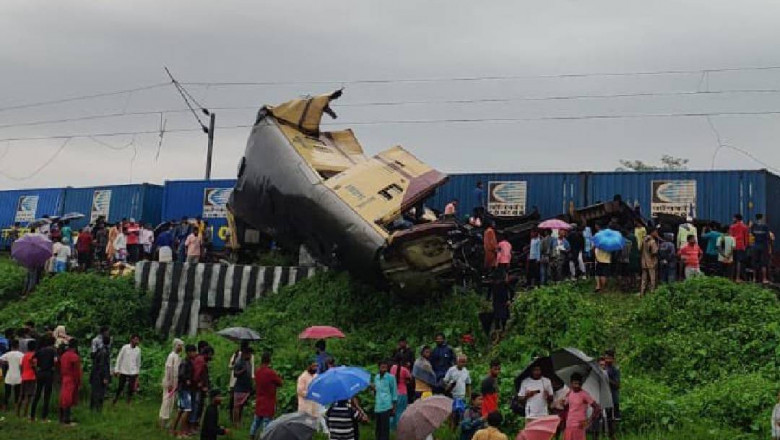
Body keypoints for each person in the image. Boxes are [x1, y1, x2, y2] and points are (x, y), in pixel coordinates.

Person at [250, 351, 283, 438]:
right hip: (268, 401)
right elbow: (280, 383)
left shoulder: (257, 371)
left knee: (256, 421)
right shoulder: (271, 373)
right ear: (269, 360)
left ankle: (251, 436)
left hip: (259, 400)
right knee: (267, 423)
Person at [563, 373, 601, 440]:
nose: (577, 386)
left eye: (579, 384)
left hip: (579, 424)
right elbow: (566, 406)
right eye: (575, 383)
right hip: (569, 424)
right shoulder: (570, 393)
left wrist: (589, 421)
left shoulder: (584, 394)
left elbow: (597, 408)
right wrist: (562, 402)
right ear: (571, 383)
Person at [30, 335, 58, 421]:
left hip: (40, 372)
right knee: (47, 395)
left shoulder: (40, 350)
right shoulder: (53, 351)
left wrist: (35, 369)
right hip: (49, 373)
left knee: (37, 393)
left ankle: (32, 416)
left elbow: (32, 360)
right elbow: (56, 361)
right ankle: (44, 417)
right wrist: (54, 368)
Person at [172, 344, 197, 436]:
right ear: (189, 352)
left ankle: (172, 429)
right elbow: (181, 375)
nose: (195, 353)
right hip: (184, 389)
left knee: (181, 410)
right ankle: (181, 432)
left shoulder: (189, 362)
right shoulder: (185, 363)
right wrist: (187, 380)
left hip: (184, 389)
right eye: (194, 352)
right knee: (187, 409)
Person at [159, 338, 184, 428]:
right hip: (169, 382)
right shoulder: (171, 356)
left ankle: (166, 420)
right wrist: (169, 383)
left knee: (171, 402)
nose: (180, 347)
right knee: (166, 401)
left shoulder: (178, 357)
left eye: (181, 346)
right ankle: (162, 420)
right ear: (175, 345)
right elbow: (169, 369)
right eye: (179, 345)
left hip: (174, 383)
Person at [372, 359, 398, 440]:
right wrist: (373, 390)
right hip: (378, 405)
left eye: (385, 367)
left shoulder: (391, 377)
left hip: (386, 405)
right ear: (379, 367)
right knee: (378, 428)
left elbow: (394, 392)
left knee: (385, 429)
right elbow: (375, 392)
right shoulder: (376, 377)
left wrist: (394, 407)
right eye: (382, 367)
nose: (384, 368)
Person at [113, 334, 141, 405]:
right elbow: (119, 358)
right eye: (135, 339)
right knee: (120, 386)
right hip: (124, 370)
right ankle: (115, 399)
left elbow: (138, 362)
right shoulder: (125, 348)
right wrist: (117, 369)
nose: (136, 341)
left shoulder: (138, 350)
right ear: (131, 340)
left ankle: (128, 401)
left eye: (137, 340)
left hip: (133, 371)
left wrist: (137, 372)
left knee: (131, 388)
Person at [191, 345, 214, 430]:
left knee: (197, 406)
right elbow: (197, 374)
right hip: (199, 388)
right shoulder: (201, 361)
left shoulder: (200, 359)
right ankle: (193, 425)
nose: (211, 357)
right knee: (197, 407)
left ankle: (194, 424)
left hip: (199, 387)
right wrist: (200, 384)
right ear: (208, 354)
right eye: (211, 355)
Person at [59, 339, 82, 425]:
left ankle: (62, 418)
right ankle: (66, 419)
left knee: (63, 397)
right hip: (71, 378)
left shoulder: (64, 355)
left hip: (64, 377)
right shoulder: (74, 357)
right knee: (68, 399)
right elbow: (77, 371)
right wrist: (78, 381)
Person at [444, 355, 472, 425]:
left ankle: (458, 427)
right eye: (461, 362)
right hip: (452, 395)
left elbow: (468, 384)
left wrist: (468, 396)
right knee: (452, 413)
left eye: (464, 362)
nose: (462, 364)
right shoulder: (451, 370)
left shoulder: (466, 371)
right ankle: (450, 427)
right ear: (457, 361)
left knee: (461, 413)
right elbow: (445, 381)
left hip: (461, 396)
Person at [231, 347, 253, 428]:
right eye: (249, 354)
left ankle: (239, 421)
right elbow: (235, 373)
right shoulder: (239, 362)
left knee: (241, 405)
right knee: (236, 406)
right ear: (245, 353)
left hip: (246, 387)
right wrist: (242, 371)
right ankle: (235, 422)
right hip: (239, 387)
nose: (250, 355)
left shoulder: (248, 363)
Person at [390, 355, 412, 429]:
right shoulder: (405, 370)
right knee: (401, 411)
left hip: (393, 392)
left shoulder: (392, 368)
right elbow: (409, 380)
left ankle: (391, 428)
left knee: (393, 411)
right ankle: (400, 427)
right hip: (402, 392)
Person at [90, 335, 111, 412]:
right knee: (100, 393)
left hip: (96, 374)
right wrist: (105, 377)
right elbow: (103, 365)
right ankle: (98, 409)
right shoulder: (104, 352)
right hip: (99, 375)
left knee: (95, 392)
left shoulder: (100, 350)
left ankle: (93, 408)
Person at [0, 339, 23, 410]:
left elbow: (1, 359)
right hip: (18, 376)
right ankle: (16, 407)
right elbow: (22, 364)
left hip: (9, 376)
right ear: (18, 346)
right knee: (17, 393)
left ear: (11, 346)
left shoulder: (8, 354)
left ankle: (5, 407)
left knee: (7, 393)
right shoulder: (21, 355)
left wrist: (6, 363)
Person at [604, 350, 621, 440]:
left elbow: (618, 385)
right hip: (604, 397)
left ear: (613, 359)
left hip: (613, 398)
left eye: (609, 358)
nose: (607, 360)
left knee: (613, 419)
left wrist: (607, 378)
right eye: (606, 358)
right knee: (606, 417)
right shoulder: (603, 368)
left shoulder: (615, 369)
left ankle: (613, 436)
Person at [17, 340, 36, 418]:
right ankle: (25, 414)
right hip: (31, 377)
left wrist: (22, 374)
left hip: (24, 376)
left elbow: (21, 366)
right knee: (29, 396)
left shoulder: (24, 355)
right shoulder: (34, 355)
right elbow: (34, 365)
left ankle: (17, 413)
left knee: (21, 396)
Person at [751, 213, 772, 284]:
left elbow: (753, 234)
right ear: (762, 218)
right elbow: (768, 238)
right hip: (763, 246)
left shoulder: (753, 226)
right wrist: (769, 248)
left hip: (755, 245)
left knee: (755, 262)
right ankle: (764, 279)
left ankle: (754, 278)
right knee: (763, 263)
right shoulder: (765, 226)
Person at [729, 213, 750, 282]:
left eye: (733, 218)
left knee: (733, 262)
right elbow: (746, 238)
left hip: (733, 246)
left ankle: (731, 277)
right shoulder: (745, 227)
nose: (733, 219)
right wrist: (746, 246)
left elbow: (731, 237)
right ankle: (738, 278)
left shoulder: (732, 227)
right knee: (739, 262)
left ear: (736, 218)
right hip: (741, 246)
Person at [640, 227, 659, 296]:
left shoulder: (644, 240)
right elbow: (654, 252)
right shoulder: (652, 241)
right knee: (652, 279)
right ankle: (652, 292)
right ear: (652, 232)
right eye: (656, 232)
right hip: (651, 262)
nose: (657, 233)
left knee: (644, 279)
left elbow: (641, 249)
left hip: (644, 261)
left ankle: (642, 292)